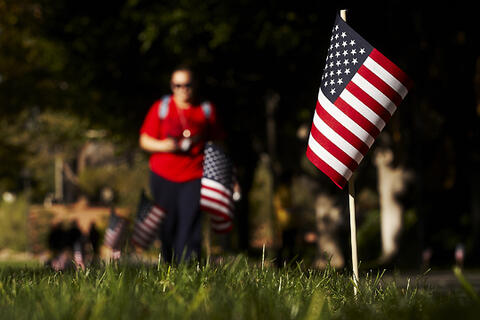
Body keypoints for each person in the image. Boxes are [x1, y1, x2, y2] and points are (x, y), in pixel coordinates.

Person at [139, 66, 222, 263]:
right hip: (163, 175)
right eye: (178, 85)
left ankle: (189, 267)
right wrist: (164, 145)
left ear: (195, 85)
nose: (183, 89)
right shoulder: (161, 108)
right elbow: (144, 140)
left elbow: (218, 142)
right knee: (167, 225)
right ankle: (169, 266)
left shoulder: (206, 110)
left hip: (194, 175)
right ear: (172, 86)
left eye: (187, 85)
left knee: (191, 225)